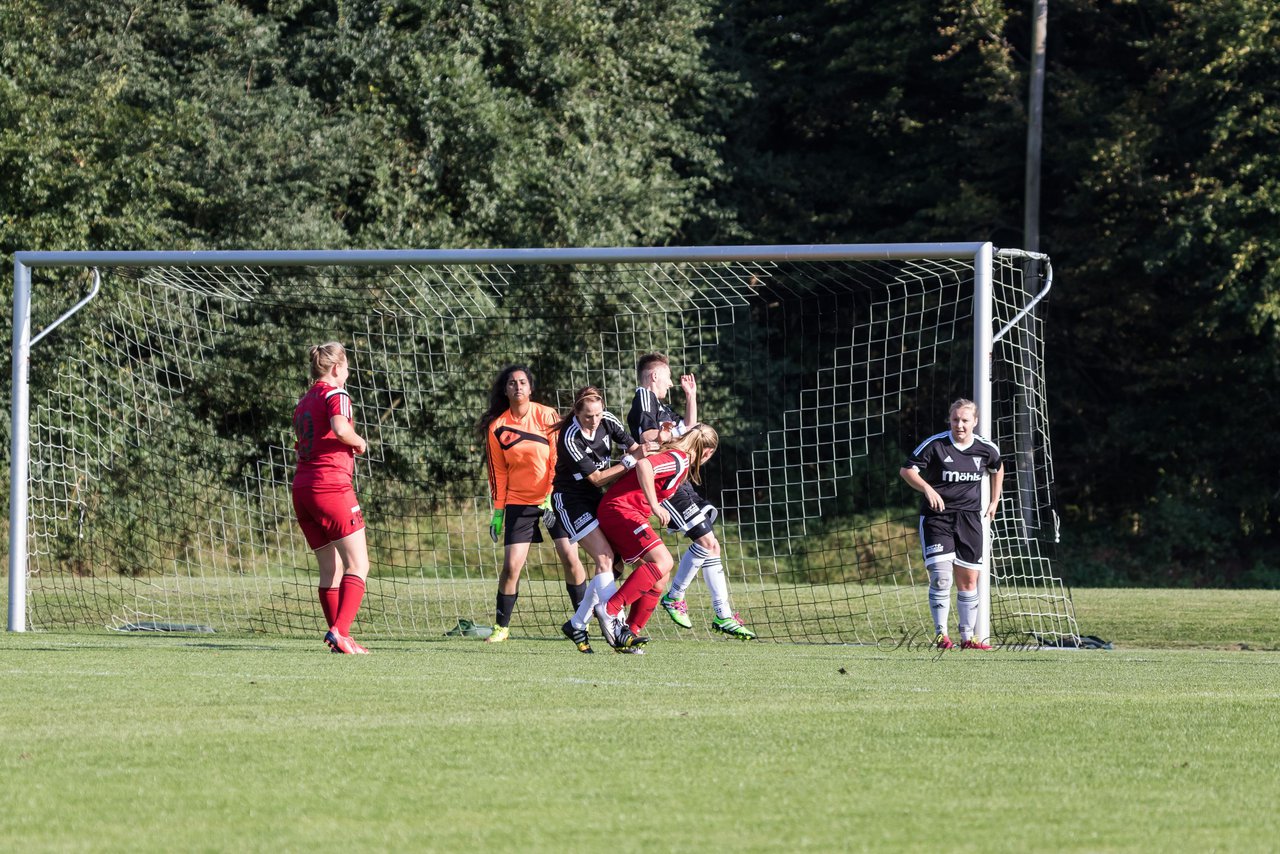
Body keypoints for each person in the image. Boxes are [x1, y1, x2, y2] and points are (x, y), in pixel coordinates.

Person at [627, 353, 755, 640]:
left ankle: (722, 614)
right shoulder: (644, 397)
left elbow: (689, 430)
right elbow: (649, 437)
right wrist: (663, 434)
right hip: (665, 479)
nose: (671, 383)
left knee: (713, 545)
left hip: (678, 476)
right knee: (707, 541)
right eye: (668, 378)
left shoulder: (660, 405)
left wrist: (691, 396)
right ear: (654, 377)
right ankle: (677, 597)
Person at [479, 364, 587, 643]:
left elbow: (557, 457)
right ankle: (501, 627)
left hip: (554, 499)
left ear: (531, 388)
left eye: (523, 382)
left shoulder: (547, 415)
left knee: (570, 557)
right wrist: (498, 512)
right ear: (505, 389)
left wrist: (552, 495)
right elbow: (498, 473)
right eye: (512, 383)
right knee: (511, 566)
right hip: (518, 503)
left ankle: (582, 621)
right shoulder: (497, 427)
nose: (518, 387)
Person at [595, 423, 721, 652]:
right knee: (664, 561)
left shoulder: (677, 458)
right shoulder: (679, 458)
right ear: (707, 452)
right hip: (620, 510)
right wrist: (654, 505)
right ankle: (610, 609)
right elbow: (643, 465)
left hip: (625, 511)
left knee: (660, 578)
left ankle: (628, 635)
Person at [899, 398, 1005, 650]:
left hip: (970, 520)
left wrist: (994, 500)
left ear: (975, 422)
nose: (960, 424)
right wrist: (927, 489)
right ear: (950, 419)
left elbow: (998, 468)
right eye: (955, 419)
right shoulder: (936, 444)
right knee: (941, 578)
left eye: (965, 420)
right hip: (938, 518)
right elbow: (907, 470)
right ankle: (941, 636)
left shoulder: (985, 448)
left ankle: (968, 638)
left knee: (968, 581)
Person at [291, 341, 372, 655]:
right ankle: (340, 631)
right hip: (331, 486)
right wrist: (359, 442)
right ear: (337, 368)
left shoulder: (303, 401)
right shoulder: (336, 394)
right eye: (347, 366)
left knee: (330, 568)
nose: (348, 371)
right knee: (358, 564)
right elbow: (340, 428)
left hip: (303, 488)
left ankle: (339, 638)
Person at [550, 387, 645, 654]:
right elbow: (597, 478)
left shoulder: (608, 421)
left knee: (614, 566)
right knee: (603, 557)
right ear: (577, 414)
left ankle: (577, 623)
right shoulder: (569, 437)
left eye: (598, 414)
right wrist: (628, 463)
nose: (594, 420)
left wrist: (645, 453)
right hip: (570, 499)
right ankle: (619, 631)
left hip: (595, 498)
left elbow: (636, 448)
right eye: (588, 416)